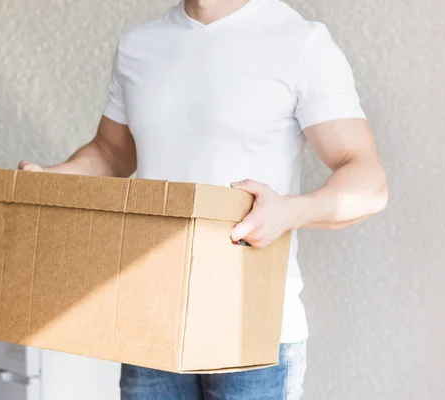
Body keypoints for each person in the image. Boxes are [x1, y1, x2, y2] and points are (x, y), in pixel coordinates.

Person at [19, 0, 388, 398]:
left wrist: (288, 212)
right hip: (150, 316)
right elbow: (111, 153)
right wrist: (50, 180)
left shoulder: (300, 42)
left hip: (252, 327)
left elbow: (368, 181)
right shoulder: (139, 45)